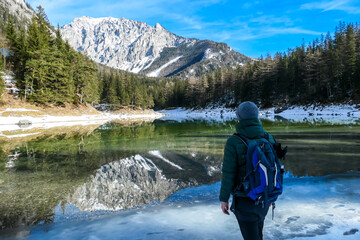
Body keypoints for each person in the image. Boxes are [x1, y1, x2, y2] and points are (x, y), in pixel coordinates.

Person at [219, 101, 276, 240]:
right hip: (265, 198)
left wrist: (224, 198)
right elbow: (274, 169)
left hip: (244, 199)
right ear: (256, 117)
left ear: (239, 118)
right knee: (258, 233)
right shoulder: (268, 137)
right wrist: (272, 196)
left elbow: (228, 173)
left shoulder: (234, 141)